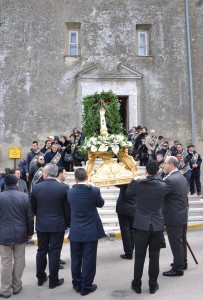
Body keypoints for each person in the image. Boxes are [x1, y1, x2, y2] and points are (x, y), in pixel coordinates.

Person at [126, 160, 166, 295]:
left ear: (146, 171)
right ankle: (153, 285)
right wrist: (154, 177)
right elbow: (160, 184)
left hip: (142, 225)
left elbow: (128, 194)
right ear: (157, 172)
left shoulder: (138, 184)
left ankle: (136, 284)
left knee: (139, 256)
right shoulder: (162, 185)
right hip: (157, 225)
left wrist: (135, 180)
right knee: (154, 257)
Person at [30, 164, 70, 289]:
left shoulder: (36, 187)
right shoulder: (64, 188)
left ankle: (40, 278)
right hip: (58, 224)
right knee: (55, 252)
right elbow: (67, 209)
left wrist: (40, 216)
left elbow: (33, 208)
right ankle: (53, 280)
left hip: (42, 224)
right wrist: (68, 223)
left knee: (41, 251)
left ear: (46, 174)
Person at [67, 168, 105, 296]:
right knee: (89, 259)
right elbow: (100, 204)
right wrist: (92, 187)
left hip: (76, 230)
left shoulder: (70, 192)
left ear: (75, 179)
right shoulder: (94, 191)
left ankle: (77, 284)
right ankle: (86, 286)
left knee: (76, 259)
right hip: (90, 231)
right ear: (87, 177)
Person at [0, 174, 33, 298]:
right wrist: (30, 232)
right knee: (19, 260)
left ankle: (5, 289)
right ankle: (17, 285)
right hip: (20, 233)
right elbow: (30, 217)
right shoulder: (24, 196)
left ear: (5, 183)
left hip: (3, 234)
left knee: (5, 262)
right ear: (17, 183)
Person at [162, 156, 188, 276]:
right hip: (182, 214)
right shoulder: (181, 177)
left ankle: (178, 268)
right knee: (181, 240)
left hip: (173, 216)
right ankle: (182, 261)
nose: (163, 165)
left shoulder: (170, 179)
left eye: (165, 163)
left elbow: (160, 194)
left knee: (175, 242)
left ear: (171, 165)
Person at [116, 184, 135, 260]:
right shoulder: (136, 182)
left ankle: (128, 253)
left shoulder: (123, 182)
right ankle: (131, 249)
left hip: (123, 209)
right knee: (132, 230)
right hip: (133, 208)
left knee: (125, 231)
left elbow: (115, 182)